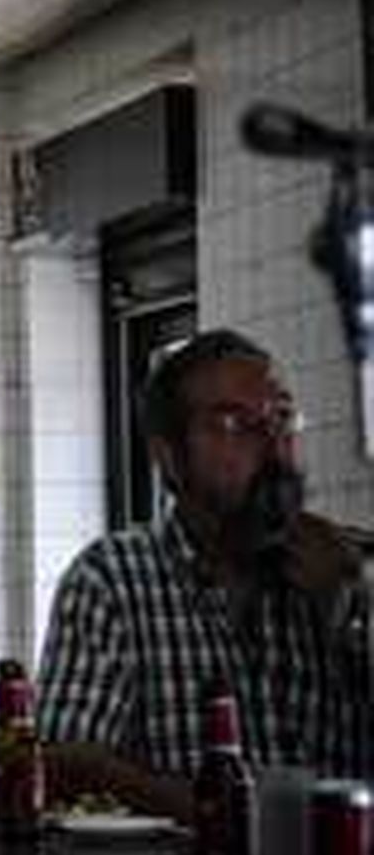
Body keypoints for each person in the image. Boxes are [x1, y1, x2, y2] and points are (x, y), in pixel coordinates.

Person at [36, 329, 370, 821]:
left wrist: (350, 609)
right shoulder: (113, 580)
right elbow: (63, 765)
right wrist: (224, 814)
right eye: (234, 422)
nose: (273, 444)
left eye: (281, 417)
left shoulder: (354, 564)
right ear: (169, 456)